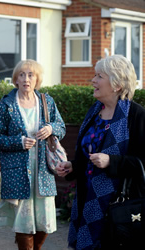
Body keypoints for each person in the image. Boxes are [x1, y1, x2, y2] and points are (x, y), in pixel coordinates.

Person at [56, 55, 145, 249]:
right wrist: (72, 166)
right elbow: (86, 156)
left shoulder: (137, 115)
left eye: (99, 76)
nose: (93, 81)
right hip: (86, 200)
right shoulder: (94, 112)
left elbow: (142, 163)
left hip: (118, 207)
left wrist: (111, 162)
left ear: (117, 84)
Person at [0, 59, 66, 250]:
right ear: (15, 79)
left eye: (31, 75)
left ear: (37, 79)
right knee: (23, 222)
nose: (26, 79)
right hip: (17, 172)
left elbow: (61, 127)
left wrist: (50, 128)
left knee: (45, 222)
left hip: (43, 171)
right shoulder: (7, 104)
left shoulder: (46, 102)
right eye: (22, 75)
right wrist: (19, 142)